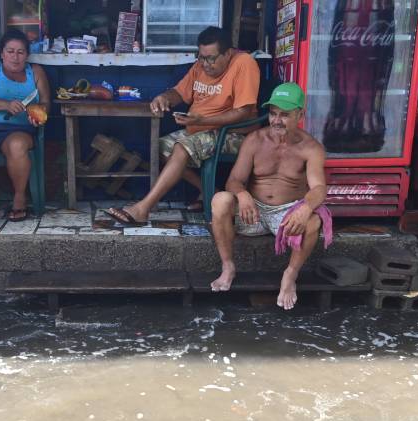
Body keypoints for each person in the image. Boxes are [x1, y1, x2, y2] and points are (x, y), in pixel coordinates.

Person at [104, 26, 259, 226]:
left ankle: (142, 209)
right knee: (158, 146)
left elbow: (243, 112)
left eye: (211, 58)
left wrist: (202, 121)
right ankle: (212, 193)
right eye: (201, 57)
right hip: (201, 130)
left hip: (232, 134)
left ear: (228, 53)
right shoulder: (200, 67)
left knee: (181, 147)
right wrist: (163, 97)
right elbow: (179, 92)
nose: (206, 64)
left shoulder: (244, 63)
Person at [209, 83, 331, 310]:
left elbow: (319, 188)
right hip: (252, 211)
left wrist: (305, 208)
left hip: (287, 214)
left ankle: (290, 275)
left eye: (284, 115)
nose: (276, 121)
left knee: (313, 220)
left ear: (300, 115)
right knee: (220, 200)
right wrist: (243, 194)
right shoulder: (255, 140)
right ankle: (228, 267)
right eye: (273, 114)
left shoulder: (311, 148)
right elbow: (233, 180)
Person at [0, 29, 50, 222]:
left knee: (17, 146)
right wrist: (5, 105)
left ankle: (20, 198)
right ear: (2, 53)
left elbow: (46, 102)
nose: (15, 57)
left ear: (27, 55)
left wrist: (37, 113)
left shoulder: (36, 72)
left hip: (19, 129)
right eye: (10, 51)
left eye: (21, 52)